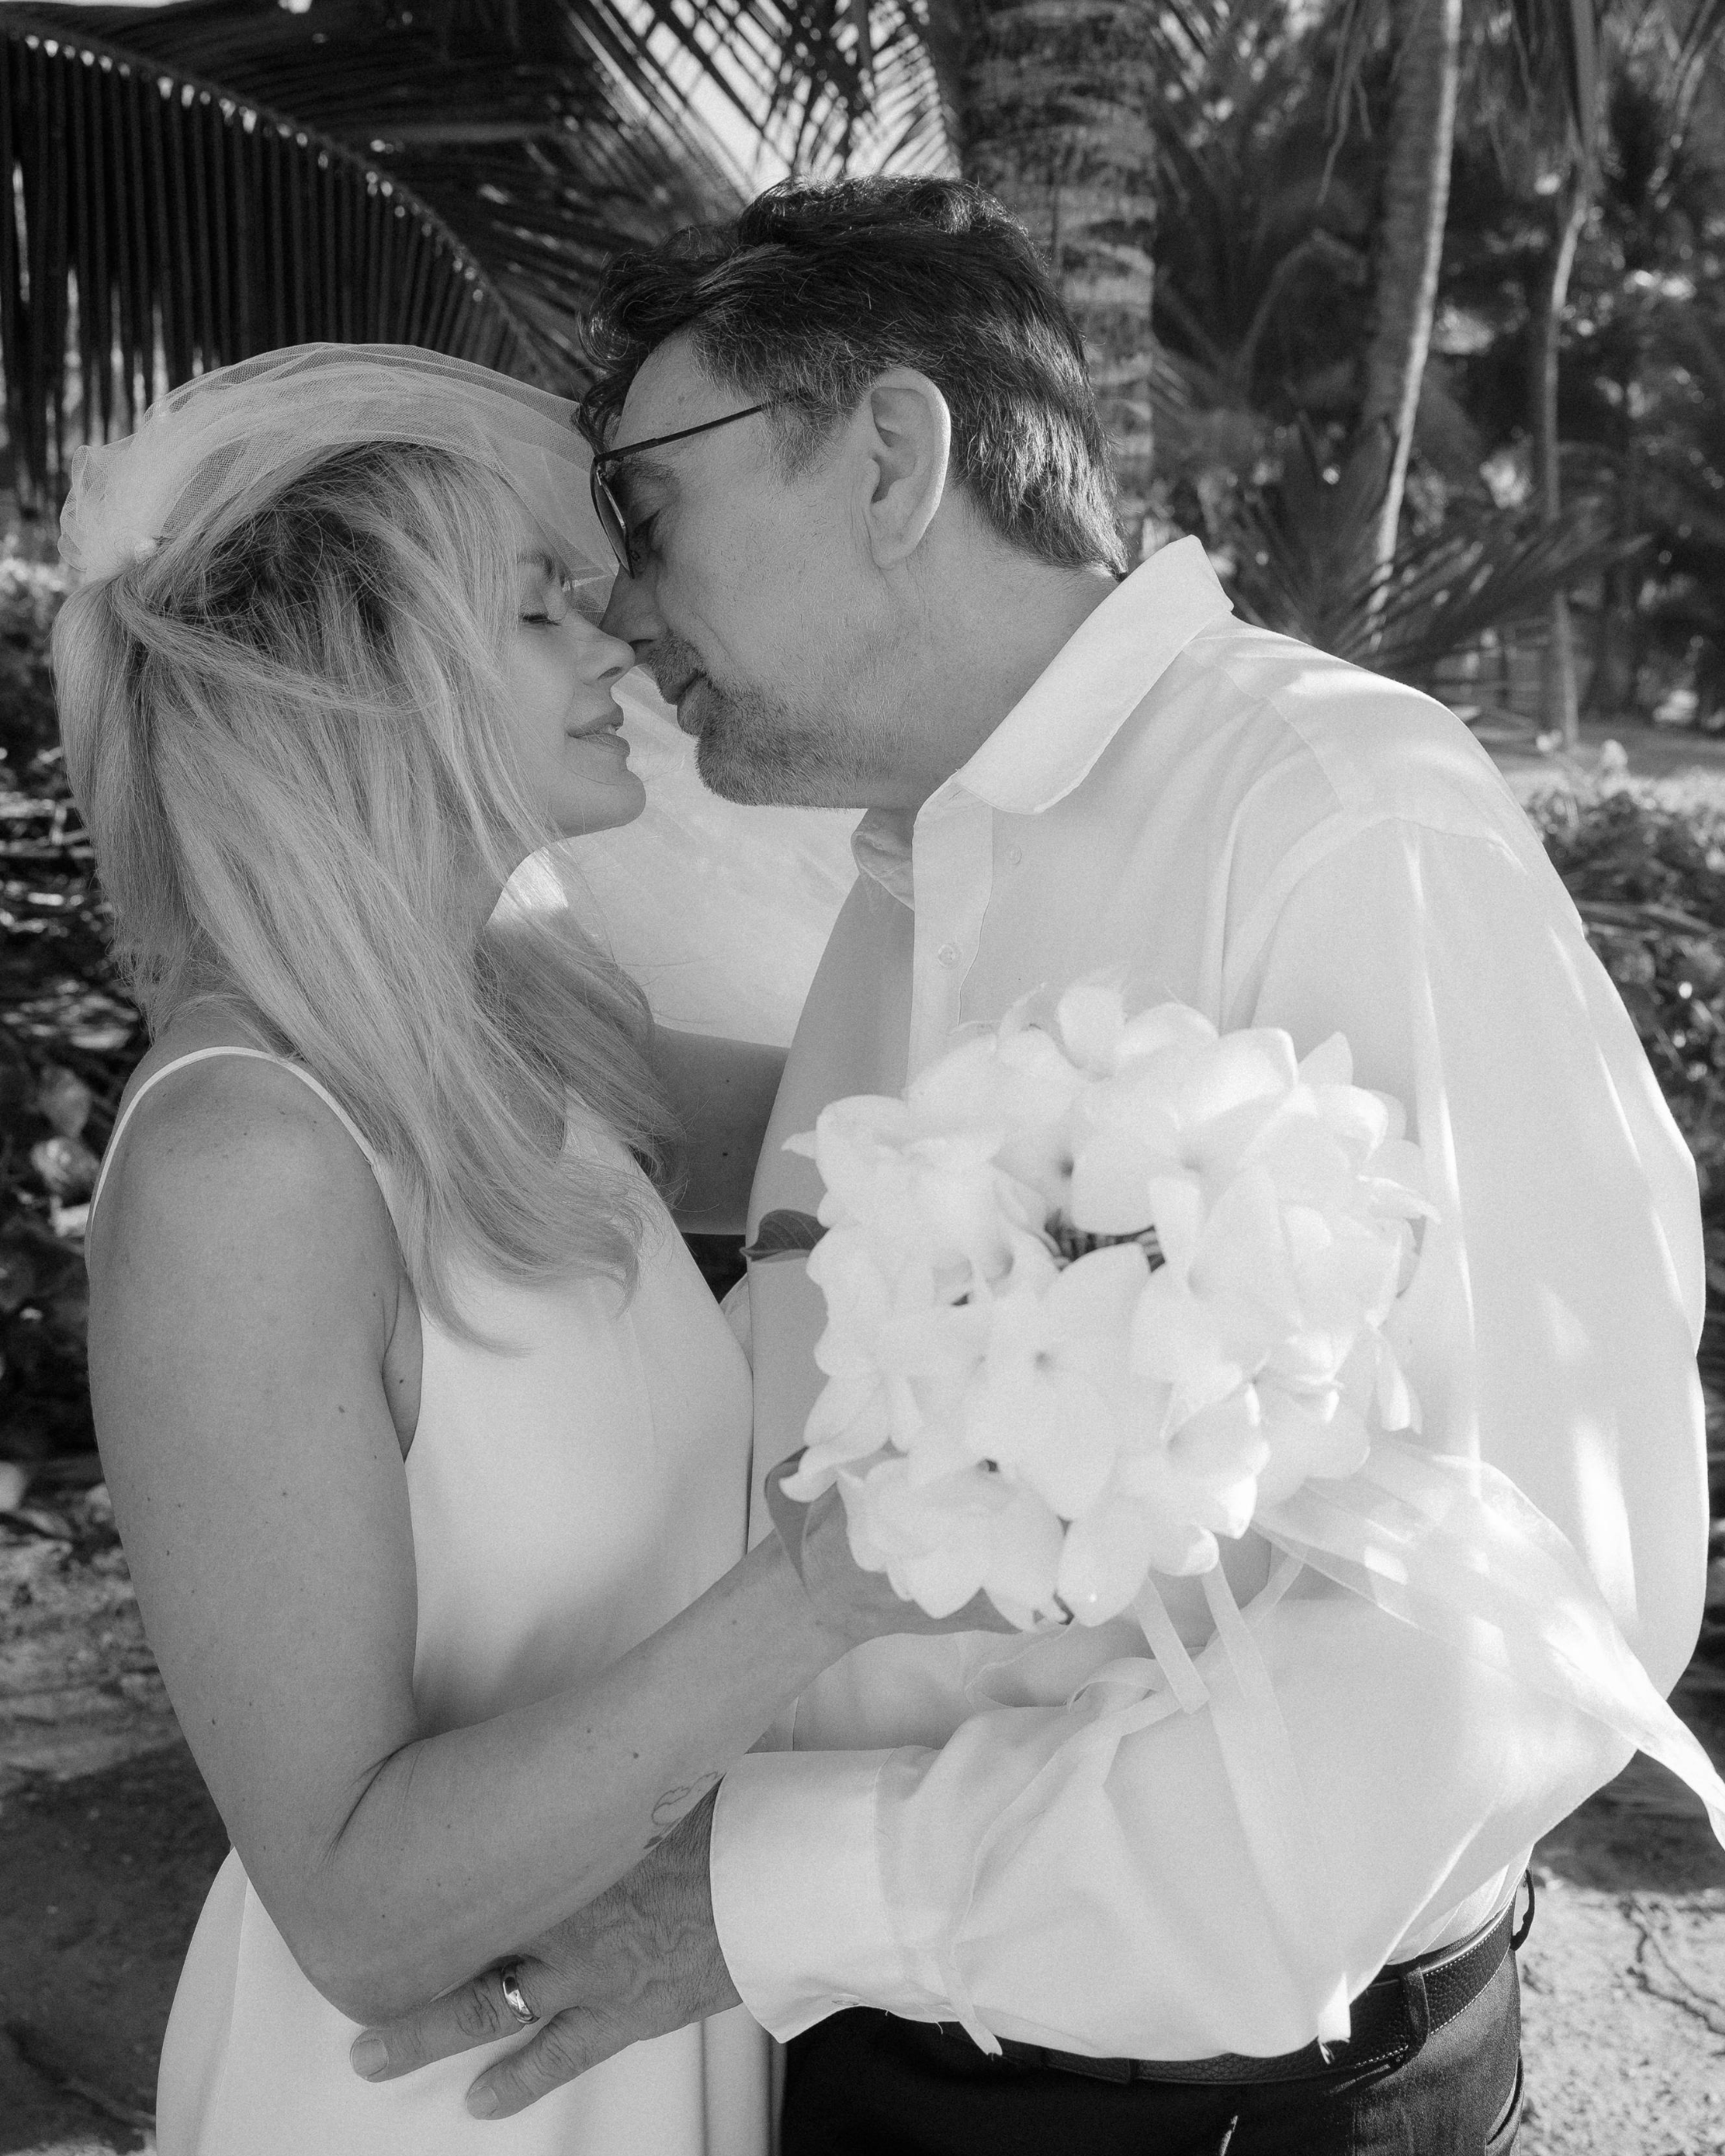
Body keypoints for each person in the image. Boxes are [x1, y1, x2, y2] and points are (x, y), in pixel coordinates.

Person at [353, 180, 1719, 2153]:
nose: (629, 607)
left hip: (1206, 2108)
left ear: (894, 456)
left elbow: (1493, 1642)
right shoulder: (908, 883)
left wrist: (782, 1895)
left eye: (646, 511)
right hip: (851, 2043)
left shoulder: (1338, 820)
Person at [51, 343, 1000, 2156]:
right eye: (539, 615)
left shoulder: (538, 1038)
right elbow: (355, 1907)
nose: (619, 648)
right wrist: (822, 1586)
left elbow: (921, 1125)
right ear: (367, 689)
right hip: (437, 2099)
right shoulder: (246, 1162)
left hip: (657, 2026)